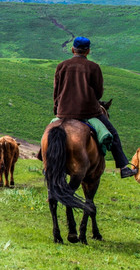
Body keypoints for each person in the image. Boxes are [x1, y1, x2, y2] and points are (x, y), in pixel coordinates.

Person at [53, 36, 137, 178]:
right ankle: (123, 167)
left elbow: (57, 91)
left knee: (50, 133)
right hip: (88, 112)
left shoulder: (61, 66)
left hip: (64, 112)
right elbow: (98, 93)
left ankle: (44, 161)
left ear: (73, 49)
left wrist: (57, 108)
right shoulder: (93, 67)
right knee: (113, 134)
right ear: (88, 51)